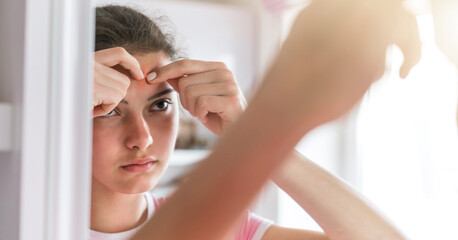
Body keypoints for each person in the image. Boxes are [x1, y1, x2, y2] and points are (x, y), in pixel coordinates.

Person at [91, 4, 409, 240]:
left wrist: (249, 132)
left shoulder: (218, 225)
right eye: (110, 110)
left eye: (160, 104)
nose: (142, 138)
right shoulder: (42, 220)